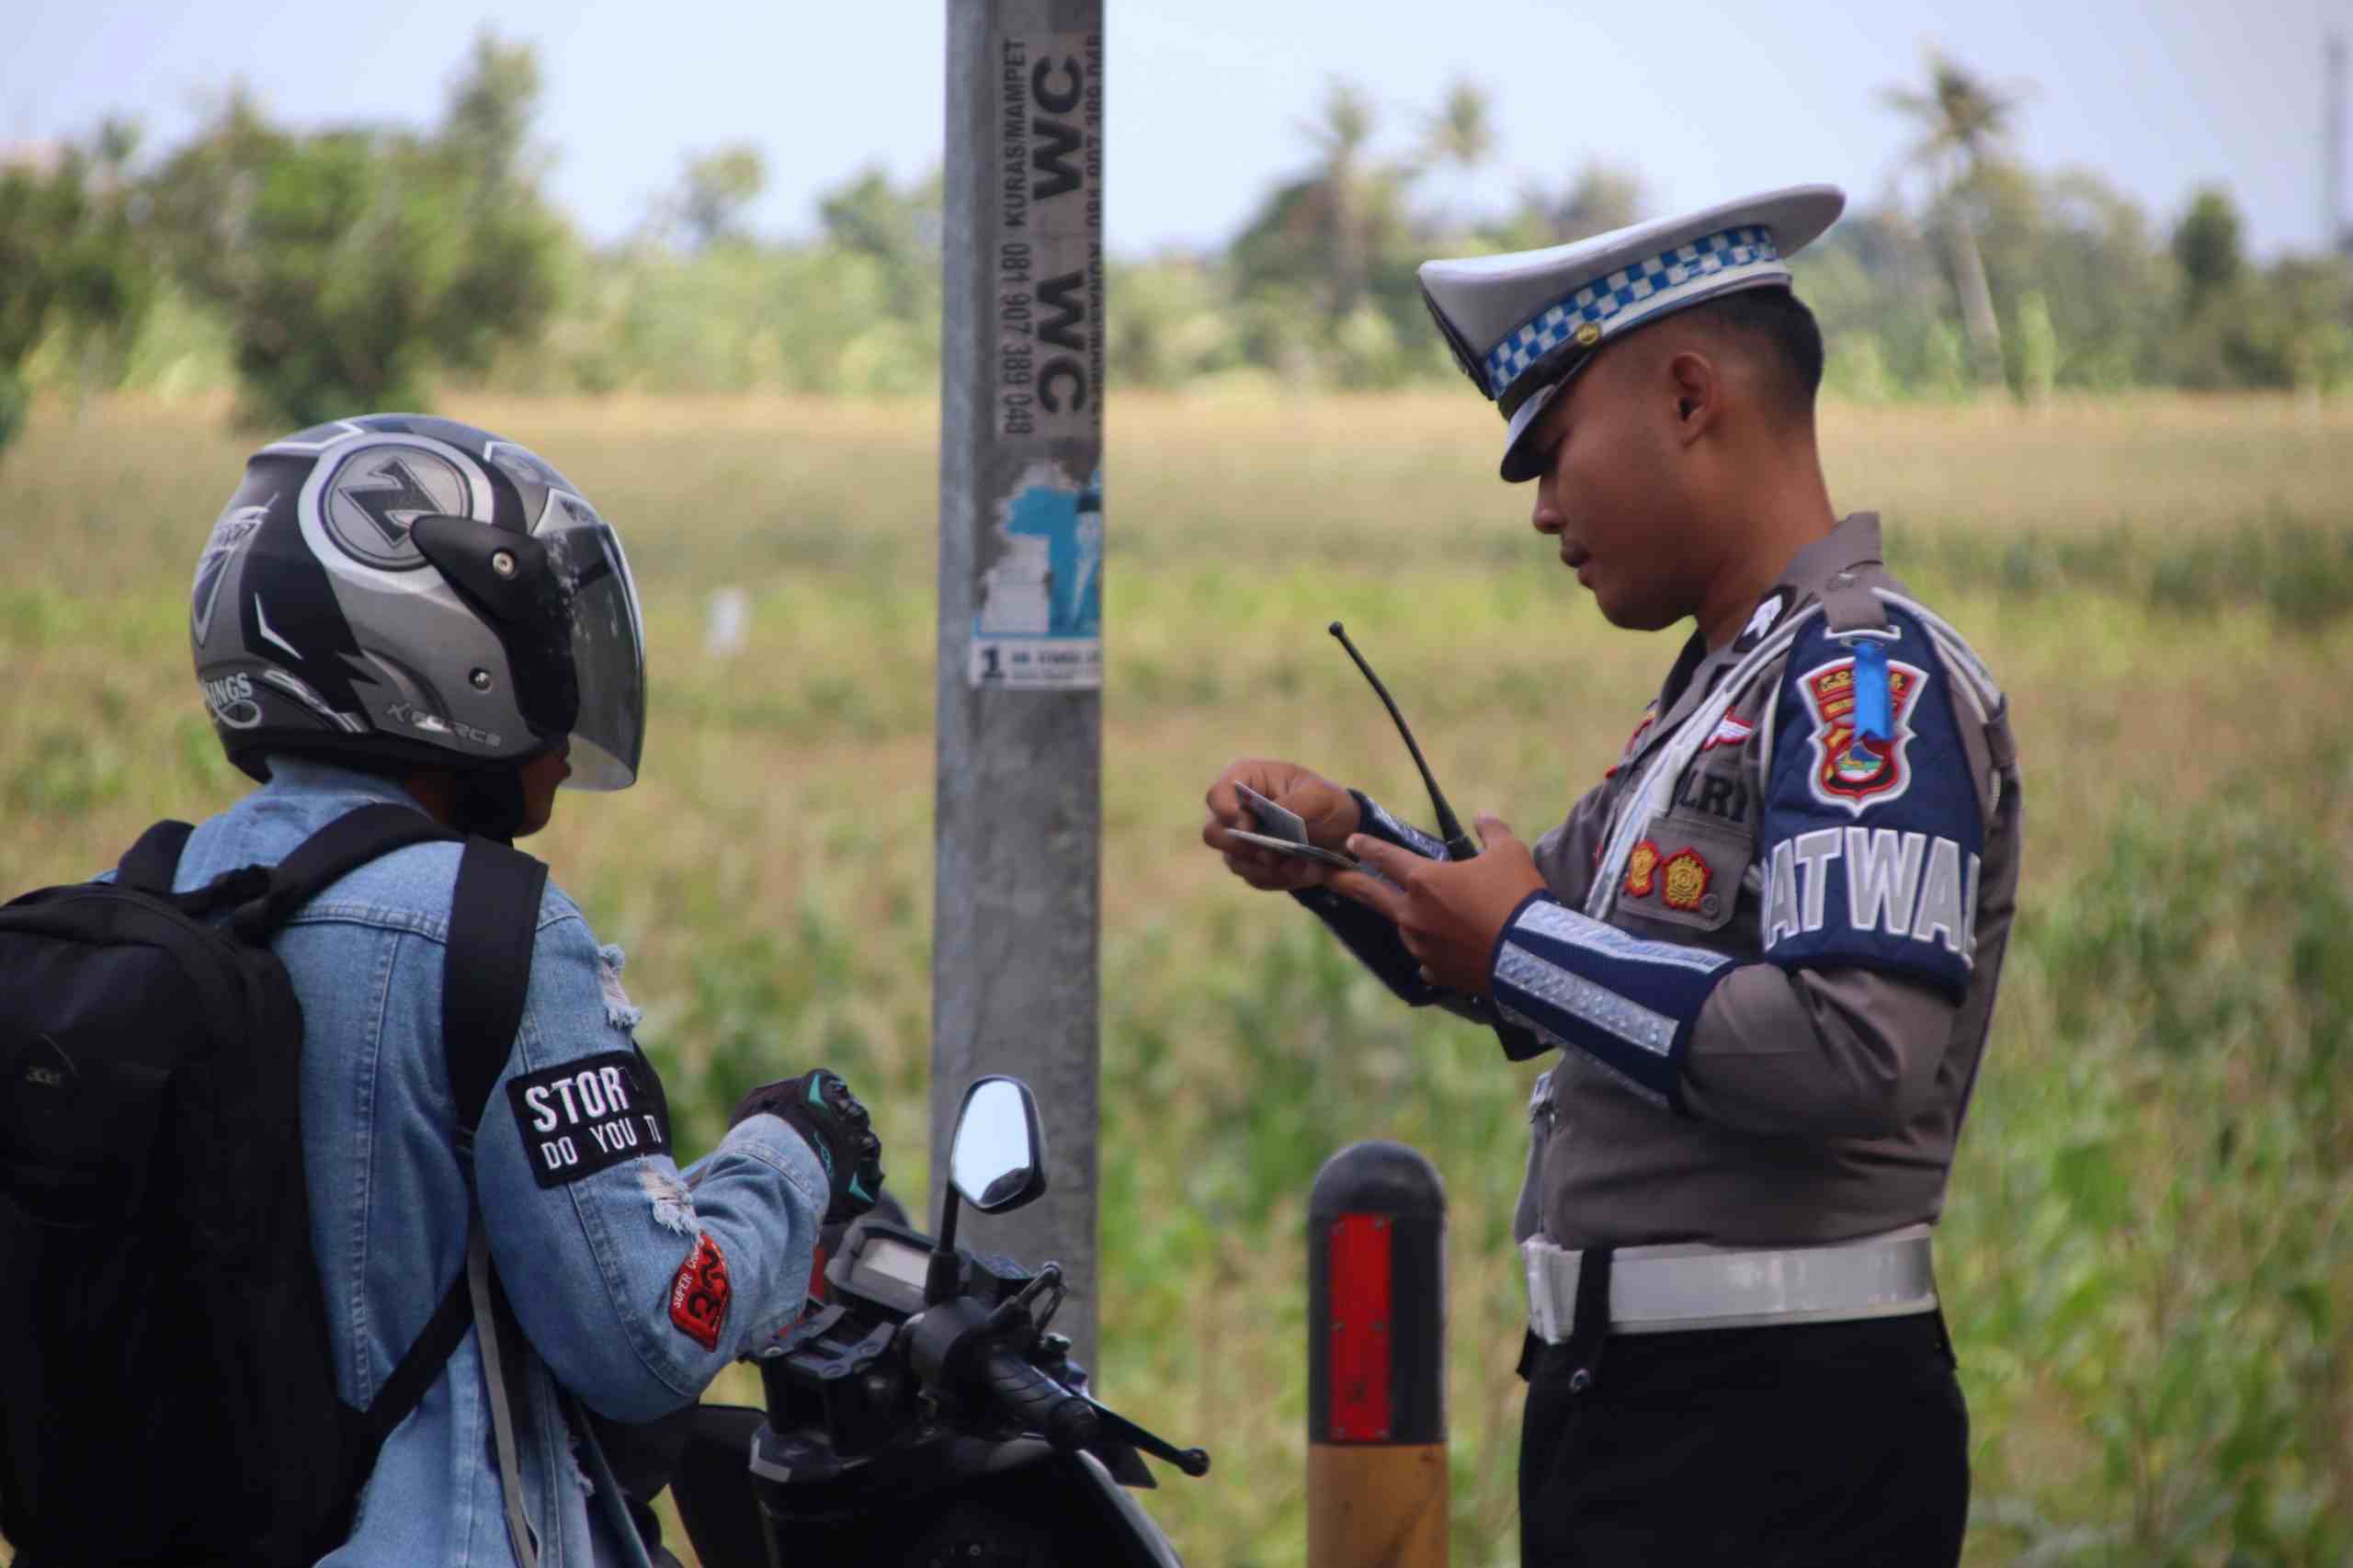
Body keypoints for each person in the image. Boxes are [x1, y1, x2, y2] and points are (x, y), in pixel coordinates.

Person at [1201, 187, 2022, 1567]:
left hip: (1778, 1434)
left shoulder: (1859, 684)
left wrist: (1518, 942)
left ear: (1690, 396)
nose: (1540, 511)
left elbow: (1853, 1046)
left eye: (1552, 449)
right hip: (1641, 1416)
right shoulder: (1721, 690)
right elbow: (1536, 969)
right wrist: (1342, 850)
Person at [178, 413, 885, 1566]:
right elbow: (651, 1331)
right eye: (546, 645)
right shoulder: (488, 925)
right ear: (438, 653)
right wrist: (788, 1159)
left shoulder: (153, 894)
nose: (566, 711)